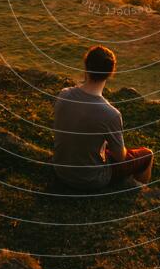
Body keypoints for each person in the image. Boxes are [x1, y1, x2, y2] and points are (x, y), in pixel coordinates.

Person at [53, 45, 154, 190]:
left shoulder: (64, 94)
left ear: (86, 66)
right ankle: (139, 192)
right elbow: (120, 157)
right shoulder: (110, 114)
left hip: (61, 169)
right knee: (147, 155)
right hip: (90, 179)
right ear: (110, 73)